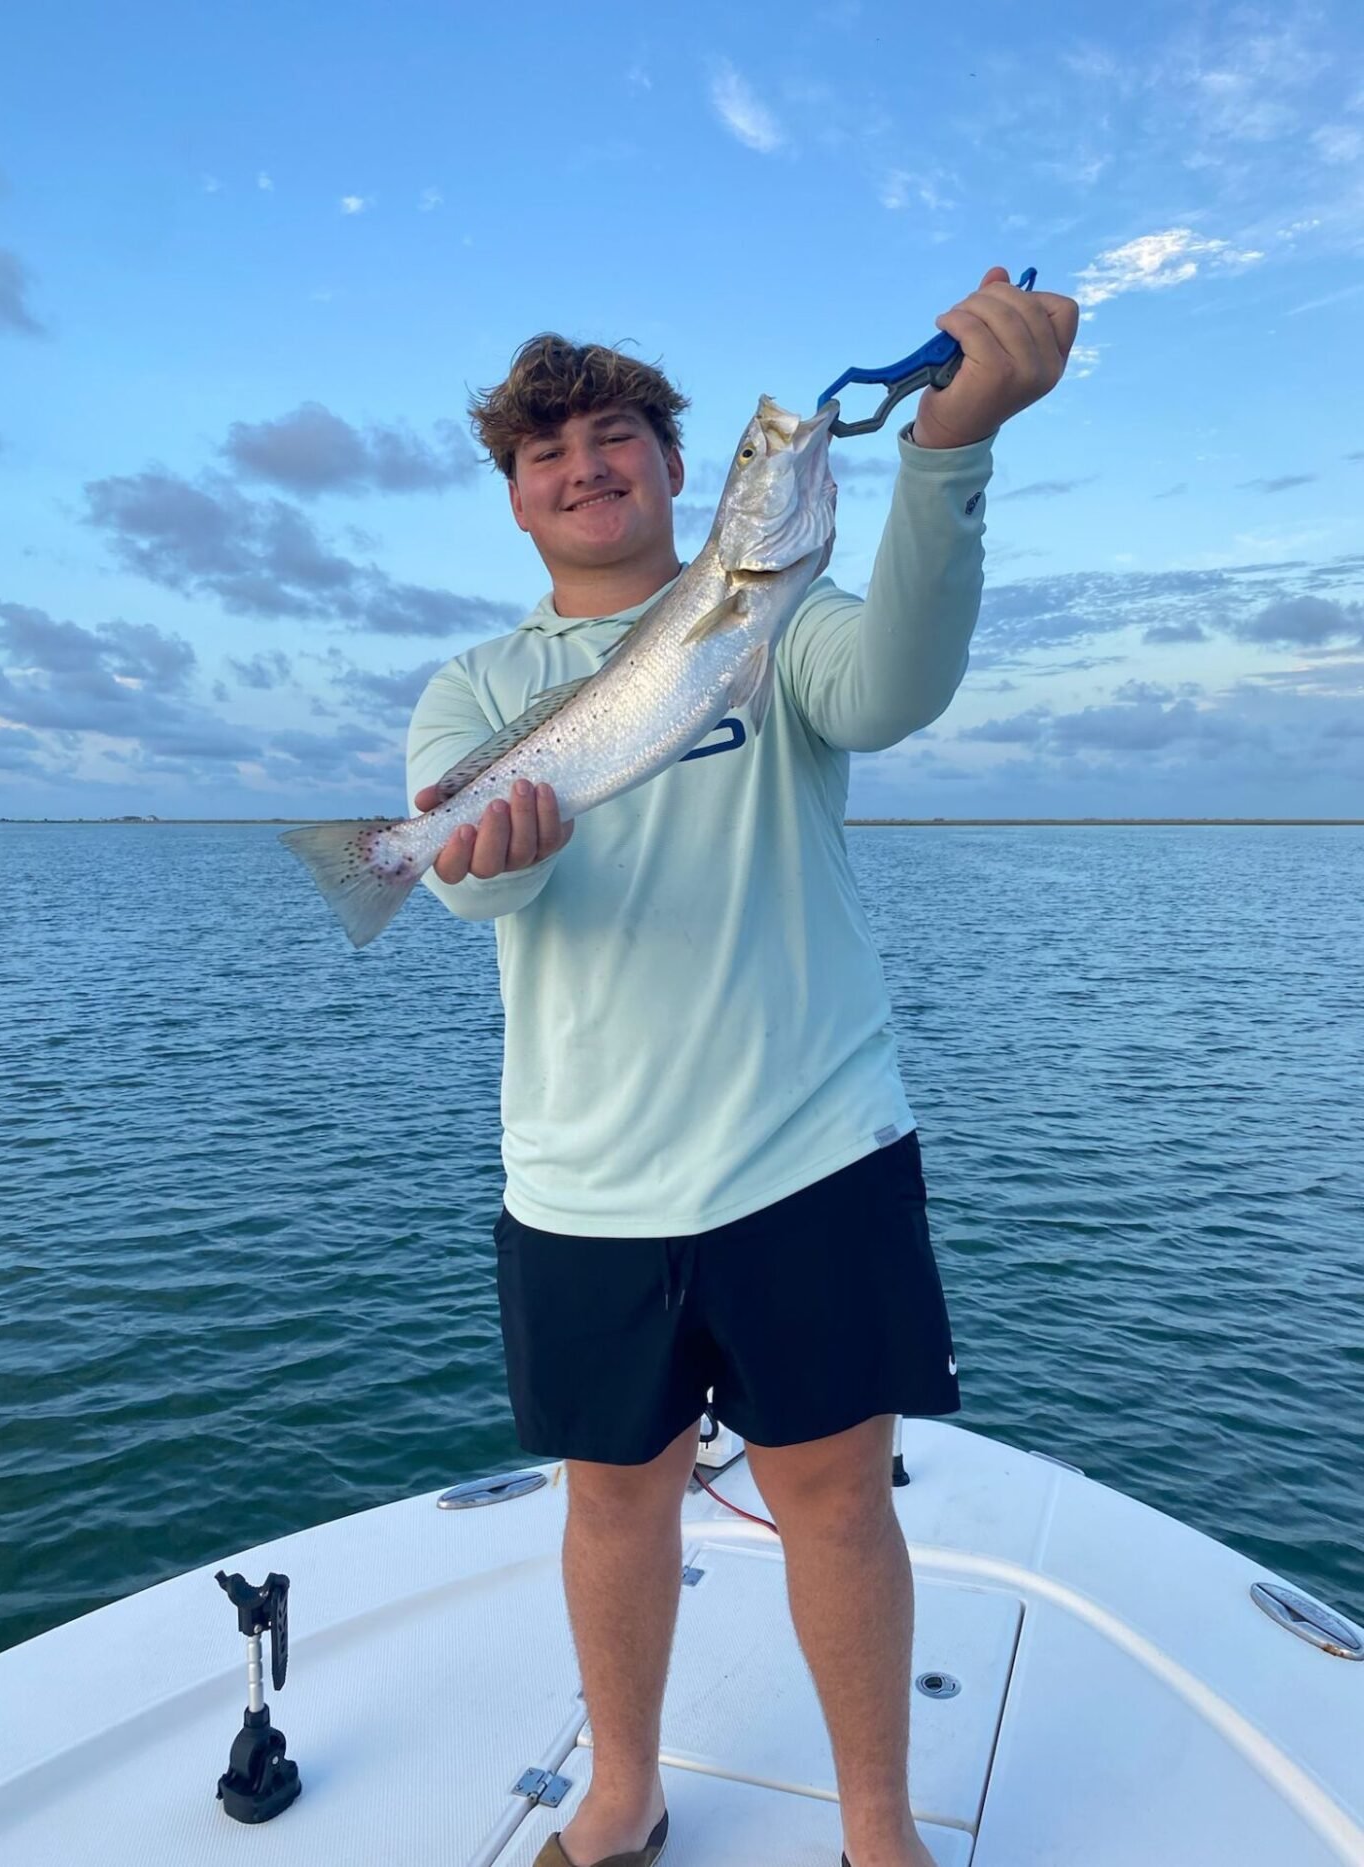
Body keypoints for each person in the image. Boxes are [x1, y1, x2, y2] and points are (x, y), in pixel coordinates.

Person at [406, 268, 1078, 1867]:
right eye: (549, 449)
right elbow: (469, 882)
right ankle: (622, 1793)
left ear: (676, 467)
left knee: (838, 1499)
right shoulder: (480, 691)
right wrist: (480, 858)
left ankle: (875, 1830)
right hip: (582, 1178)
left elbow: (897, 691)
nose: (587, 464)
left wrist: (946, 457)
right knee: (613, 1499)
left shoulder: (779, 620)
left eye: (618, 433)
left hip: (812, 1147)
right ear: (514, 497)